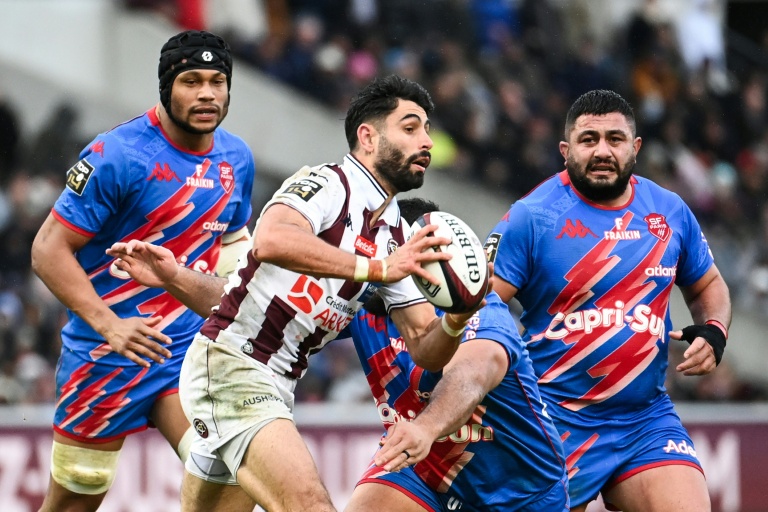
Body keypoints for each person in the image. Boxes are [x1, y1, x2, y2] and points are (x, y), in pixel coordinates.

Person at [106, 74, 489, 512]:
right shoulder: (328, 184)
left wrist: (457, 317)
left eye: (426, 130)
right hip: (232, 366)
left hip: (277, 383)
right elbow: (271, 240)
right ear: (368, 136)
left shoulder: (398, 233)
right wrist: (379, 268)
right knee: (311, 505)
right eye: (410, 127)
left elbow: (425, 346)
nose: (427, 142)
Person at [30, 30, 256, 512]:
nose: (207, 94)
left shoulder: (236, 158)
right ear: (166, 86)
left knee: (230, 475)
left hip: (187, 354)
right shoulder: (117, 154)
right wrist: (109, 324)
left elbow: (234, 244)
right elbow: (47, 249)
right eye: (191, 81)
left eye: (218, 82)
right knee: (78, 490)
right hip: (107, 352)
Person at [486, 89, 731, 512]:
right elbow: (480, 305)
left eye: (615, 139)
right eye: (588, 140)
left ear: (635, 148)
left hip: (646, 419)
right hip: (554, 420)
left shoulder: (668, 211)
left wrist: (714, 330)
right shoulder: (532, 216)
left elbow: (709, 284)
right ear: (566, 151)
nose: (602, 151)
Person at [340, 197, 569, 512]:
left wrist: (425, 428)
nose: (368, 255)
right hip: (422, 476)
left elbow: (469, 377)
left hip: (520, 494)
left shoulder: (478, 310)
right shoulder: (361, 304)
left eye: (380, 246)